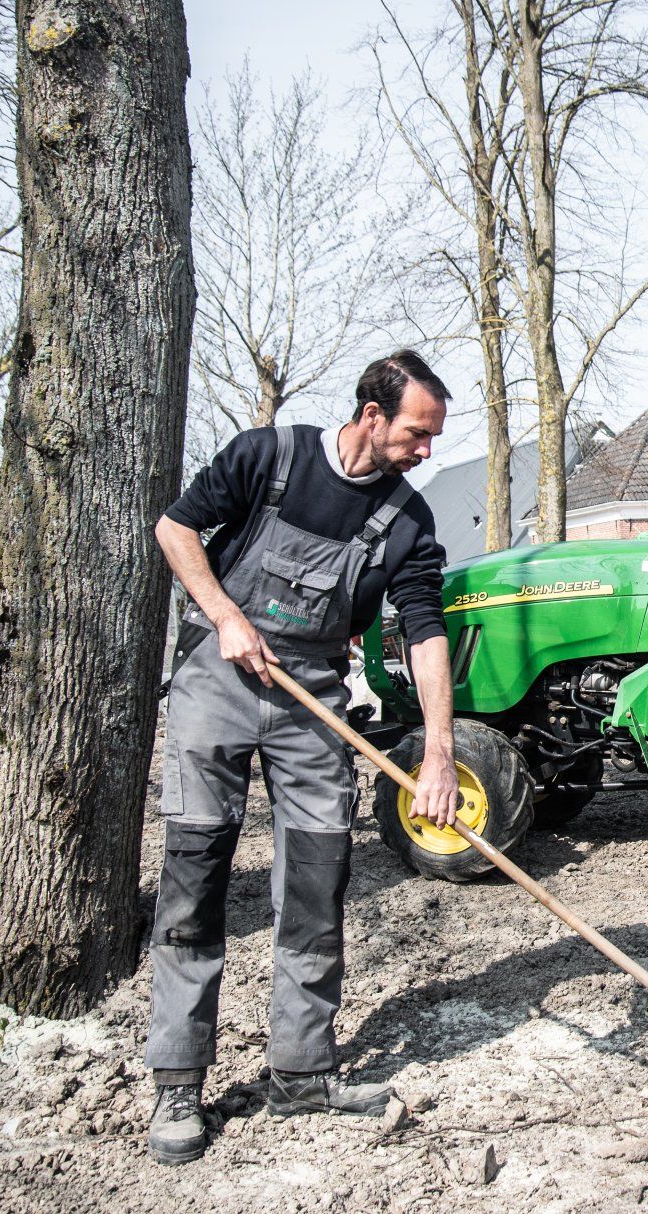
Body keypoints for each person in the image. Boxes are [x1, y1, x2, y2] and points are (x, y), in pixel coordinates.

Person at [143, 350, 460, 1165]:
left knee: (318, 878)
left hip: (313, 698)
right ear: (371, 415)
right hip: (216, 678)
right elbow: (175, 529)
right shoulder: (269, 457)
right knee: (195, 873)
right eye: (416, 434)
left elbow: (425, 630)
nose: (425, 450)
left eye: (432, 437)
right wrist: (226, 615)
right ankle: (178, 1080)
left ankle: (302, 1070)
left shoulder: (406, 521)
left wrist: (439, 753)